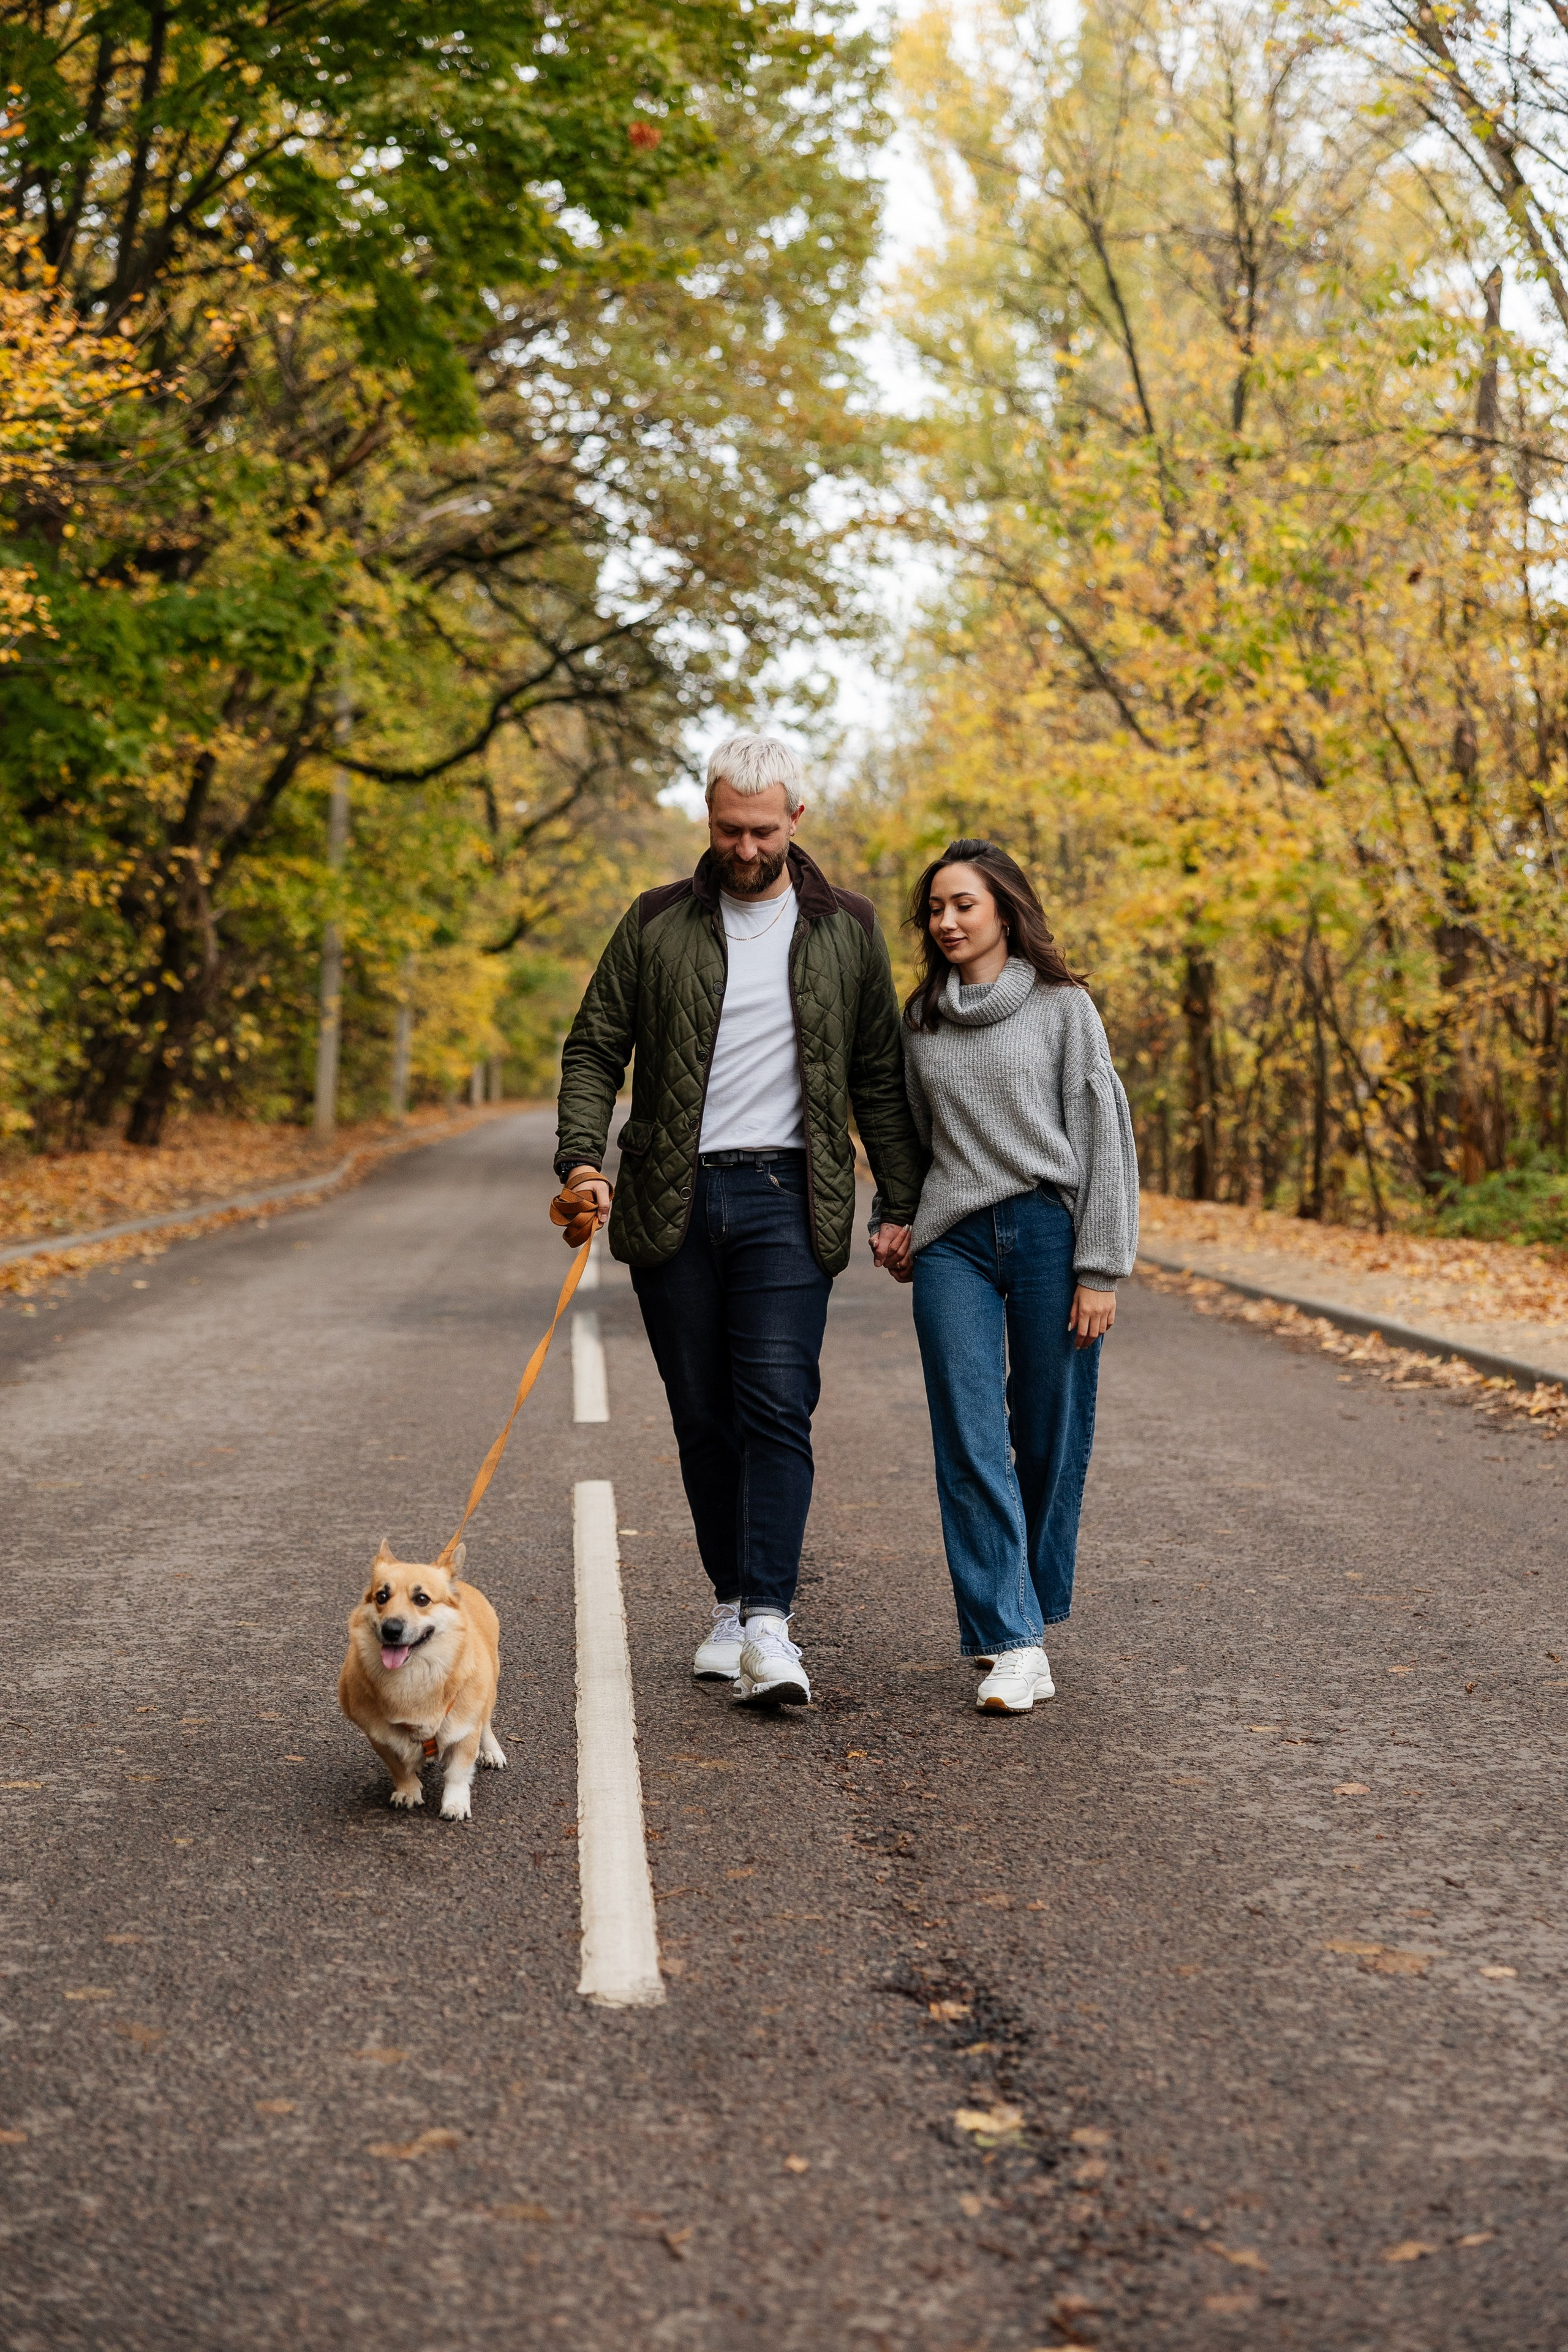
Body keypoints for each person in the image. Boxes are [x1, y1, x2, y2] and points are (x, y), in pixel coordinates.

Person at [554, 734, 926, 1706]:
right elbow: (596, 1046)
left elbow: (881, 1075)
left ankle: (770, 1621)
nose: (747, 846)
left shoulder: (846, 927)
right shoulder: (656, 923)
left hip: (789, 1199)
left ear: (796, 820)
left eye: (764, 829)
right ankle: (730, 1603)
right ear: (708, 818)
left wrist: (900, 1199)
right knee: (703, 1416)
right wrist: (583, 1160)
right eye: (729, 828)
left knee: (775, 1405)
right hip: (671, 1199)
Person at [876, 839, 1139, 1714]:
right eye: (935, 911)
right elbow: (910, 1141)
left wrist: (1100, 1266)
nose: (946, 923)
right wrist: (896, 1215)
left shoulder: (1064, 1009)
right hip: (952, 1241)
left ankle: (1027, 1603)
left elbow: (1105, 1135)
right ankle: (1011, 1638)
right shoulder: (921, 1020)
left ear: (1003, 910)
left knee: (1048, 1431)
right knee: (969, 1434)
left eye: (963, 906)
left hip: (1046, 1232)